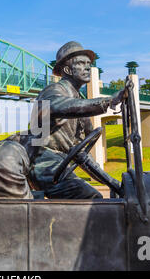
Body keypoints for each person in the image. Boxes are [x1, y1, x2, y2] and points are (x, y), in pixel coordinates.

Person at [11, 41, 124, 199]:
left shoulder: (78, 102)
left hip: (59, 166)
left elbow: (82, 155)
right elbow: (60, 106)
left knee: (98, 199)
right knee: (92, 199)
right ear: (66, 69)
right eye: (80, 63)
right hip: (43, 164)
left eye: (88, 64)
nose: (87, 68)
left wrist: (113, 184)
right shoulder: (53, 91)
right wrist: (107, 102)